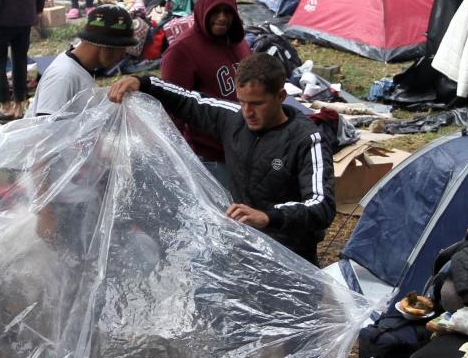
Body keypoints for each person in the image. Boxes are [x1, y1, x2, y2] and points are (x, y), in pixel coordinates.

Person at [108, 53, 335, 265]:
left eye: (257, 103)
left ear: (281, 96)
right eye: (242, 101)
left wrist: (269, 217)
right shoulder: (235, 119)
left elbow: (322, 206)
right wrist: (144, 83)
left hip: (293, 254)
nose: (248, 112)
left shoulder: (307, 139)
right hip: (245, 245)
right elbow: (190, 101)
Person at [160, 0, 249, 187]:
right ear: (202, 10)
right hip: (210, 157)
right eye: (215, 11)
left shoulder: (237, 42)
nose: (222, 18)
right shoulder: (182, 51)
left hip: (245, 148)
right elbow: (171, 109)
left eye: (227, 11)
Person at [29, 5, 138, 117]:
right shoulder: (63, 76)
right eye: (121, 48)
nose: (123, 55)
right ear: (104, 44)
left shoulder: (83, 67)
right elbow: (45, 125)